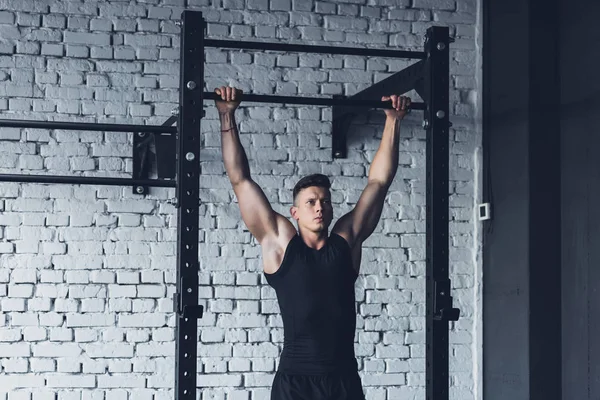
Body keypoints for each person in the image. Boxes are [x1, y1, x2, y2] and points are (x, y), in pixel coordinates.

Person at [215, 86, 411, 400]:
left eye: (324, 201)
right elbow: (240, 179)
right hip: (296, 383)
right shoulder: (279, 243)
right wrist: (226, 115)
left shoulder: (346, 241)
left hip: (343, 380)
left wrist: (393, 120)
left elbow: (379, 181)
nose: (319, 207)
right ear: (294, 212)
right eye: (310, 202)